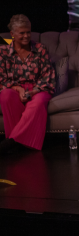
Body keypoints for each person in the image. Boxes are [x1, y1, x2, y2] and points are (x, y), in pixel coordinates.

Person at [0, 14, 56, 154]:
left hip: (38, 89)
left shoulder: (40, 49)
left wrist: (32, 91)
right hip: (14, 88)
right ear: (12, 34)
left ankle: (12, 141)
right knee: (5, 96)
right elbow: (1, 78)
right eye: (22, 33)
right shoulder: (3, 51)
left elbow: (47, 76)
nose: (26, 36)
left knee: (37, 103)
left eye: (28, 32)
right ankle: (21, 142)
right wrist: (18, 89)